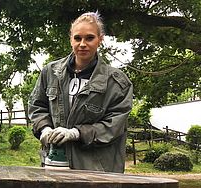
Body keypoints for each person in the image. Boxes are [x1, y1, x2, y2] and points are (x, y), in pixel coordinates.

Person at [28, 12, 133, 173]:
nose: (82, 44)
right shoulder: (50, 72)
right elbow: (37, 107)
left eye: (89, 38)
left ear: (100, 39)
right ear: (71, 39)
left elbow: (114, 126)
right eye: (77, 38)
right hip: (54, 167)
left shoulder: (117, 83)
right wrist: (44, 128)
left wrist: (77, 133)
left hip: (96, 172)